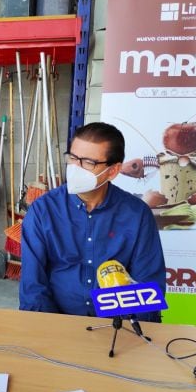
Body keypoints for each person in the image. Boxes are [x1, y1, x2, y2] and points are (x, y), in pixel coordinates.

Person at [20, 122, 165, 321]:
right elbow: (32, 287)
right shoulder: (43, 211)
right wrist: (52, 330)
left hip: (116, 327)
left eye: (88, 162)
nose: (75, 168)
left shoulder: (137, 215)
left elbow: (148, 286)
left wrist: (122, 330)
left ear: (112, 171)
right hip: (57, 323)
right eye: (72, 158)